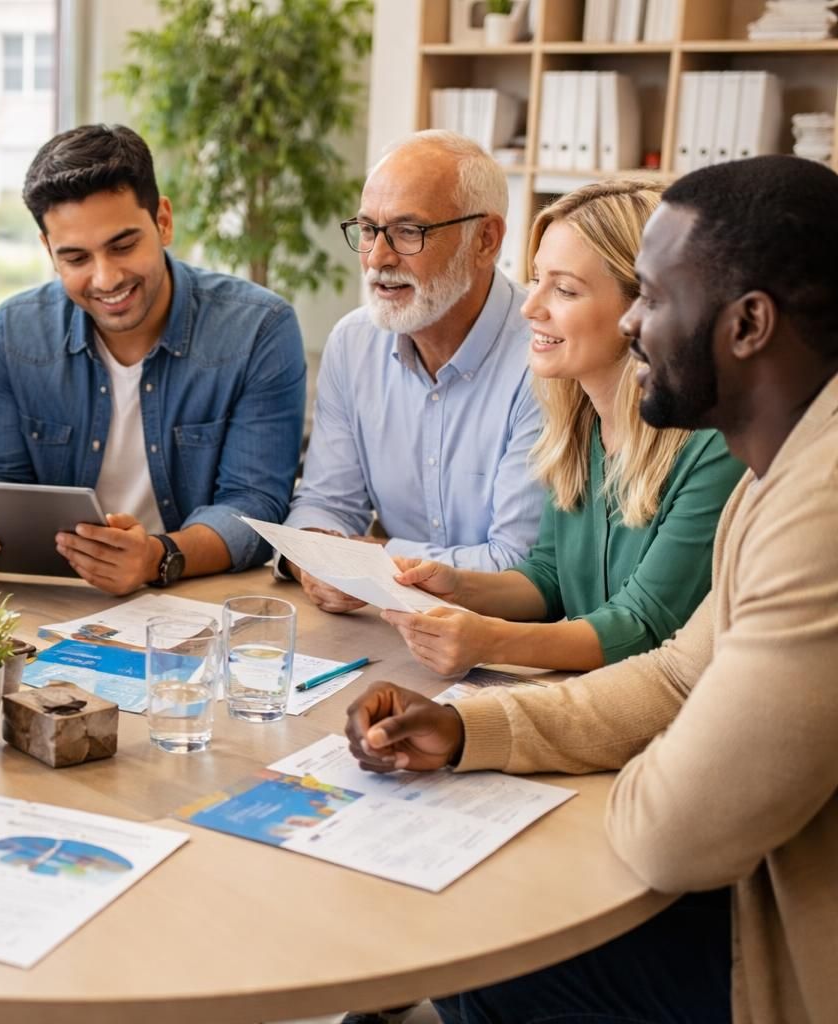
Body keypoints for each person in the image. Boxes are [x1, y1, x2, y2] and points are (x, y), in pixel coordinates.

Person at [345, 155, 838, 1024]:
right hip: (743, 885)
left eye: (650, 295)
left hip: (781, 948)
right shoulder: (781, 476)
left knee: (482, 955)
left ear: (749, 324)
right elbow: (680, 676)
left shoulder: (818, 511)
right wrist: (465, 729)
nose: (638, 322)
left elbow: (674, 835)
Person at [381, 180, 743, 676]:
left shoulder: (714, 448)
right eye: (535, 280)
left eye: (566, 289)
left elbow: (645, 627)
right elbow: (548, 576)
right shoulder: (578, 424)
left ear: (645, 306)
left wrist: (490, 641)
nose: (531, 307)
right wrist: (458, 587)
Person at [0, 124, 306, 595]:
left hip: (197, 596)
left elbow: (254, 507)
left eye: (123, 246)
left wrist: (157, 556)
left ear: (163, 221)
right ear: (49, 251)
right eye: (76, 258)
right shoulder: (15, 329)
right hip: (56, 599)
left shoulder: (259, 328)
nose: (106, 279)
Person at [282, 131, 545, 615]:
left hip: (506, 639)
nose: (378, 258)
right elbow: (324, 503)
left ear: (485, 239)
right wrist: (315, 558)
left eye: (408, 232)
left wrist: (371, 562)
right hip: (385, 626)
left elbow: (519, 565)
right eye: (366, 230)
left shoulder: (546, 353)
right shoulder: (353, 342)